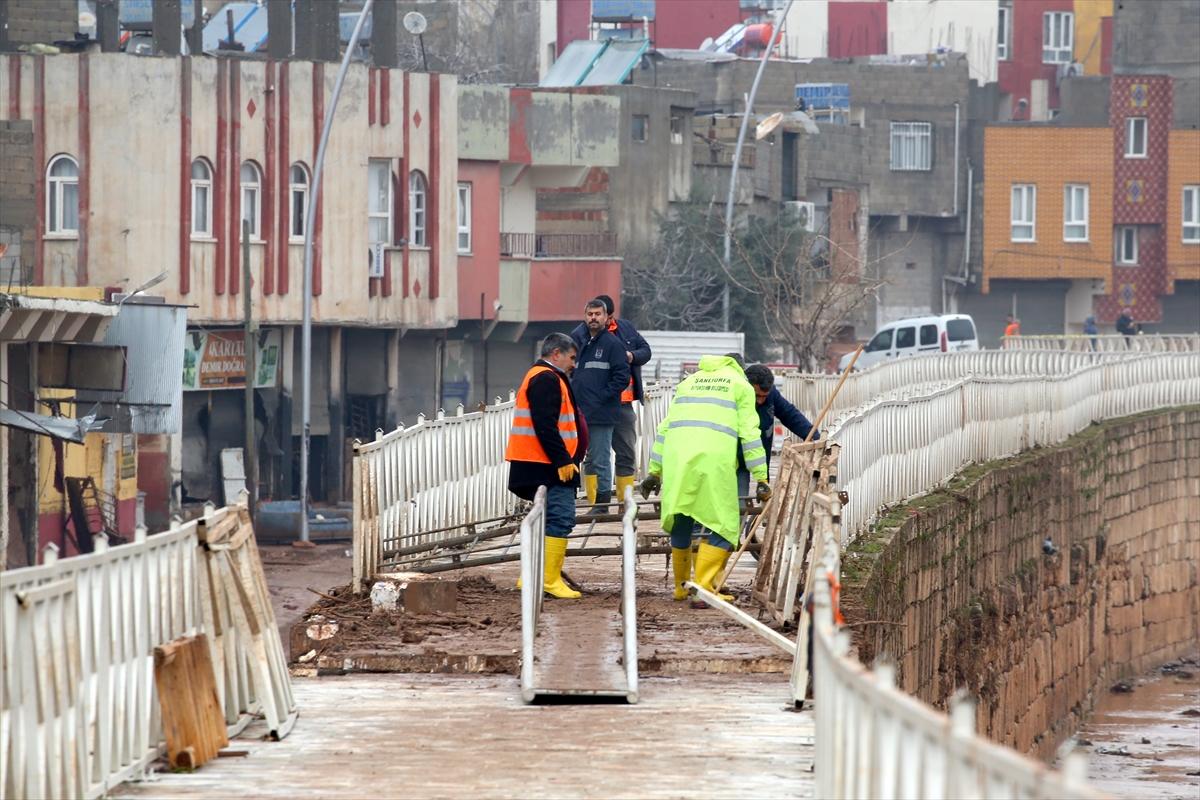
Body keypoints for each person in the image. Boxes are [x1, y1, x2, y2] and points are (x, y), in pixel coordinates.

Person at [640, 354, 770, 602]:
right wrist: (761, 477)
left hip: (678, 459)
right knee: (725, 522)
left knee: (682, 517)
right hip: (714, 461)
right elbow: (750, 435)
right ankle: (704, 588)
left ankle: (681, 587)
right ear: (740, 369)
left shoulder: (689, 382)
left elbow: (665, 428)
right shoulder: (740, 384)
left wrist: (655, 470)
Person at [505, 333, 589, 599]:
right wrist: (563, 460)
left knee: (546, 521)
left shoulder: (546, 376)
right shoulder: (545, 378)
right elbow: (545, 424)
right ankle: (548, 580)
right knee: (560, 519)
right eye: (571, 357)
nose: (574, 364)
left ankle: (530, 577)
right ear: (556, 354)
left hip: (542, 463)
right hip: (547, 465)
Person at [570, 294, 651, 508]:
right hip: (588, 407)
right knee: (593, 454)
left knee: (623, 451)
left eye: (599, 314)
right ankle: (594, 499)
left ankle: (623, 499)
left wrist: (631, 356)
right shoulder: (579, 338)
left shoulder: (621, 334)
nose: (594, 318)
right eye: (590, 314)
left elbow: (639, 357)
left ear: (608, 316)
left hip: (617, 405)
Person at [739, 364, 819, 496]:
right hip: (734, 459)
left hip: (761, 458)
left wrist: (814, 436)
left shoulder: (772, 395)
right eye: (757, 395)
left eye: (764, 396)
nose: (760, 401)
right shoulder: (736, 395)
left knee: (762, 495)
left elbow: (790, 415)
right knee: (738, 500)